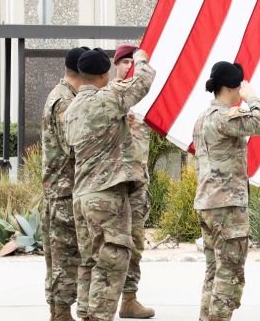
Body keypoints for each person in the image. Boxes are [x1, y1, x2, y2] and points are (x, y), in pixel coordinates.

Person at [65, 48, 156, 321]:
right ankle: (99, 316)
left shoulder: (71, 109)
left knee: (90, 261)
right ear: (105, 74)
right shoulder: (107, 98)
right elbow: (143, 81)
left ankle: (85, 311)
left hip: (82, 195)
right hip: (106, 195)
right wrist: (140, 58)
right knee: (113, 260)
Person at [192, 61, 260, 321]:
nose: (241, 91)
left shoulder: (202, 117)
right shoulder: (225, 117)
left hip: (208, 203)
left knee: (214, 272)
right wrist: (253, 98)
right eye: (239, 86)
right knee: (230, 274)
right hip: (227, 206)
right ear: (230, 87)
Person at [41, 46, 88, 321]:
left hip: (63, 190)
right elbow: (72, 144)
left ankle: (60, 311)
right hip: (63, 192)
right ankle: (60, 313)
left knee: (63, 256)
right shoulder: (64, 101)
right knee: (64, 257)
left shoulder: (63, 96)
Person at [111, 44, 155, 319]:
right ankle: (99, 301)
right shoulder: (110, 94)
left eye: (133, 62)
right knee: (108, 244)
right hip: (113, 183)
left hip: (138, 181)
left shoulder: (144, 100)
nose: (130, 66)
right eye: (125, 62)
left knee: (135, 242)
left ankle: (129, 298)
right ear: (116, 65)